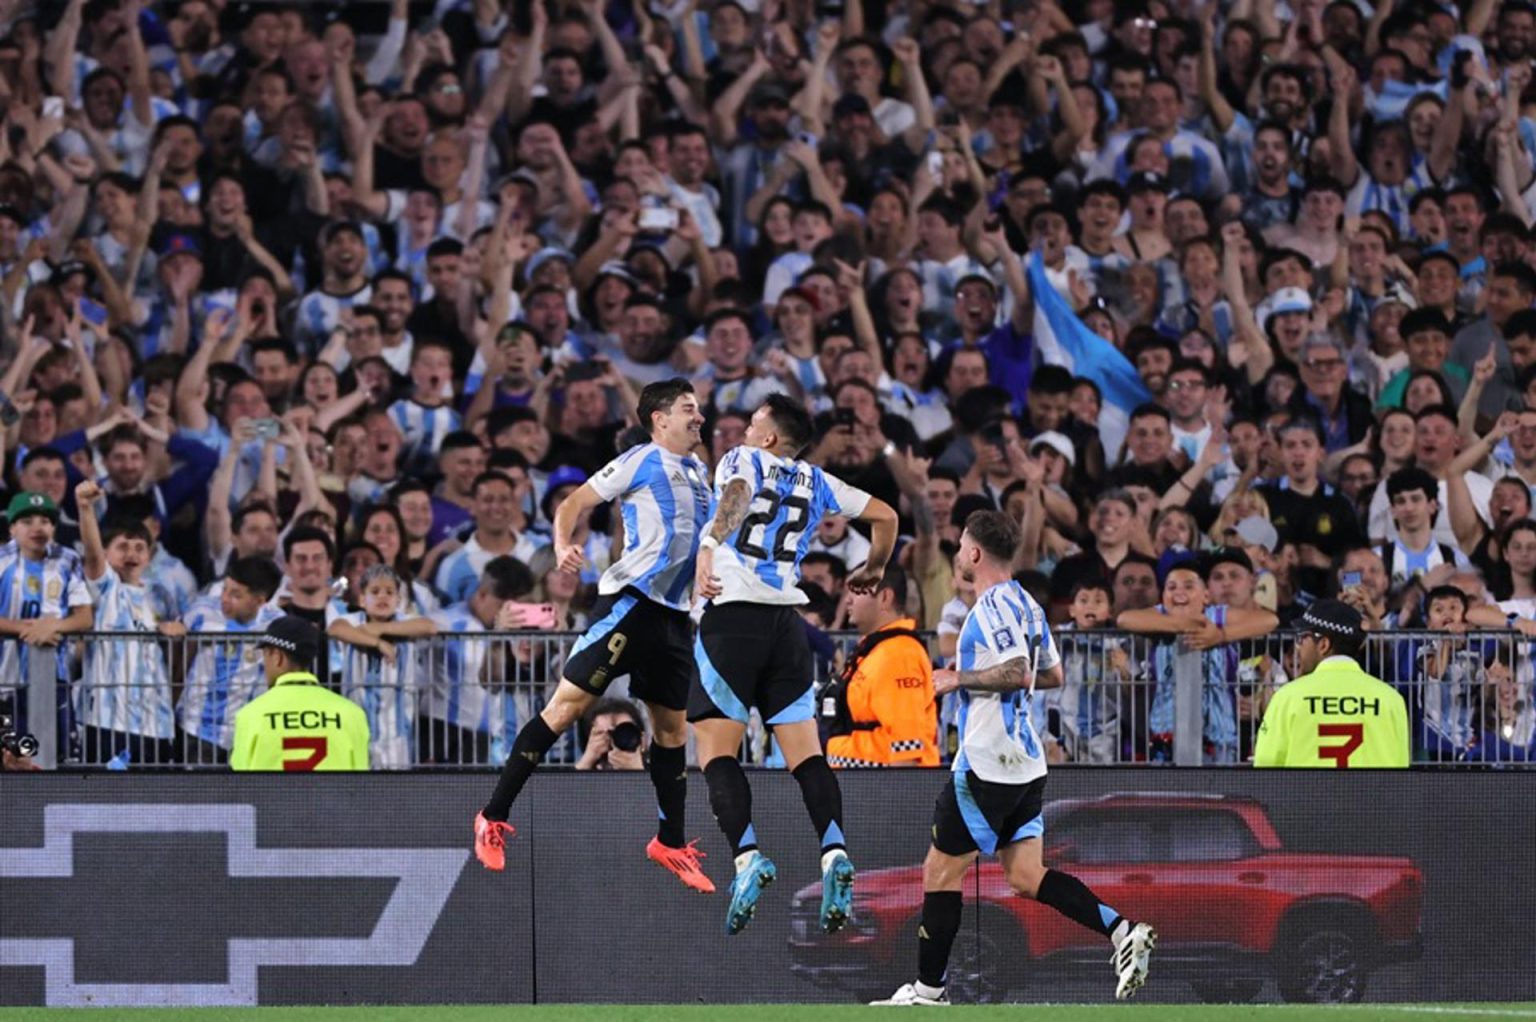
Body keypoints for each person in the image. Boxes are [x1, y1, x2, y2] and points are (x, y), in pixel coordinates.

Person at [872, 511, 1156, 1006]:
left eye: (961, 546)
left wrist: (958, 678)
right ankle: (1121, 930)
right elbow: (1052, 675)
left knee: (940, 872)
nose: (958, 555)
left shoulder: (994, 605)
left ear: (975, 553)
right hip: (1025, 763)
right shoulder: (1026, 602)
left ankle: (928, 992)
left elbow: (1022, 672)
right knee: (1026, 875)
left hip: (989, 761)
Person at [474, 379, 717, 894]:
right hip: (631, 606)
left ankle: (669, 843)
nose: (699, 418)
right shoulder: (638, 460)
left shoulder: (700, 473)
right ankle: (491, 818)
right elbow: (573, 504)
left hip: (675, 618)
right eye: (688, 410)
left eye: (699, 409)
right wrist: (563, 544)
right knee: (563, 711)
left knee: (672, 735)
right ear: (660, 419)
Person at [690, 393, 898, 936]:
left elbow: (735, 494)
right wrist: (872, 568)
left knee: (716, 752)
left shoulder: (745, 460)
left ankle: (747, 857)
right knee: (805, 756)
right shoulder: (817, 480)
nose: (743, 428)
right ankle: (833, 853)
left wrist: (711, 541)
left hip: (732, 616)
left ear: (768, 437)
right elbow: (886, 516)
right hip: (787, 627)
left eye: (753, 421)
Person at [73, 480, 185, 766]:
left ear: (149, 555)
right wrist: (85, 509)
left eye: (139, 547)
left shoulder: (160, 596)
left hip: (157, 724)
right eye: (122, 546)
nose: (132, 554)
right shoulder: (106, 589)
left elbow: (173, 663)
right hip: (108, 722)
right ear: (108, 553)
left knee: (156, 808)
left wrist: (177, 637)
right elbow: (93, 556)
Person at [1254, 599, 1409, 767]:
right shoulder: (1391, 700)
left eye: (1302, 638)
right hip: (1372, 794)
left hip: (1305, 794)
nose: (1298, 648)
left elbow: (1265, 766)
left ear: (1323, 645)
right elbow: (1401, 767)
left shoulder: (1287, 698)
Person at [824, 566, 938, 768]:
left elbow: (906, 746)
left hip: (881, 792)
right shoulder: (875, 650)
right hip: (863, 787)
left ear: (885, 597)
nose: (848, 600)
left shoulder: (899, 654)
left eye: (857, 592)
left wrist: (897, 798)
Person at [230, 615, 371, 771]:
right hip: (331, 796)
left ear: (277, 657)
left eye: (266, 655)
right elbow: (361, 784)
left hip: (273, 796)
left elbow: (240, 785)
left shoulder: (250, 715)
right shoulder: (352, 714)